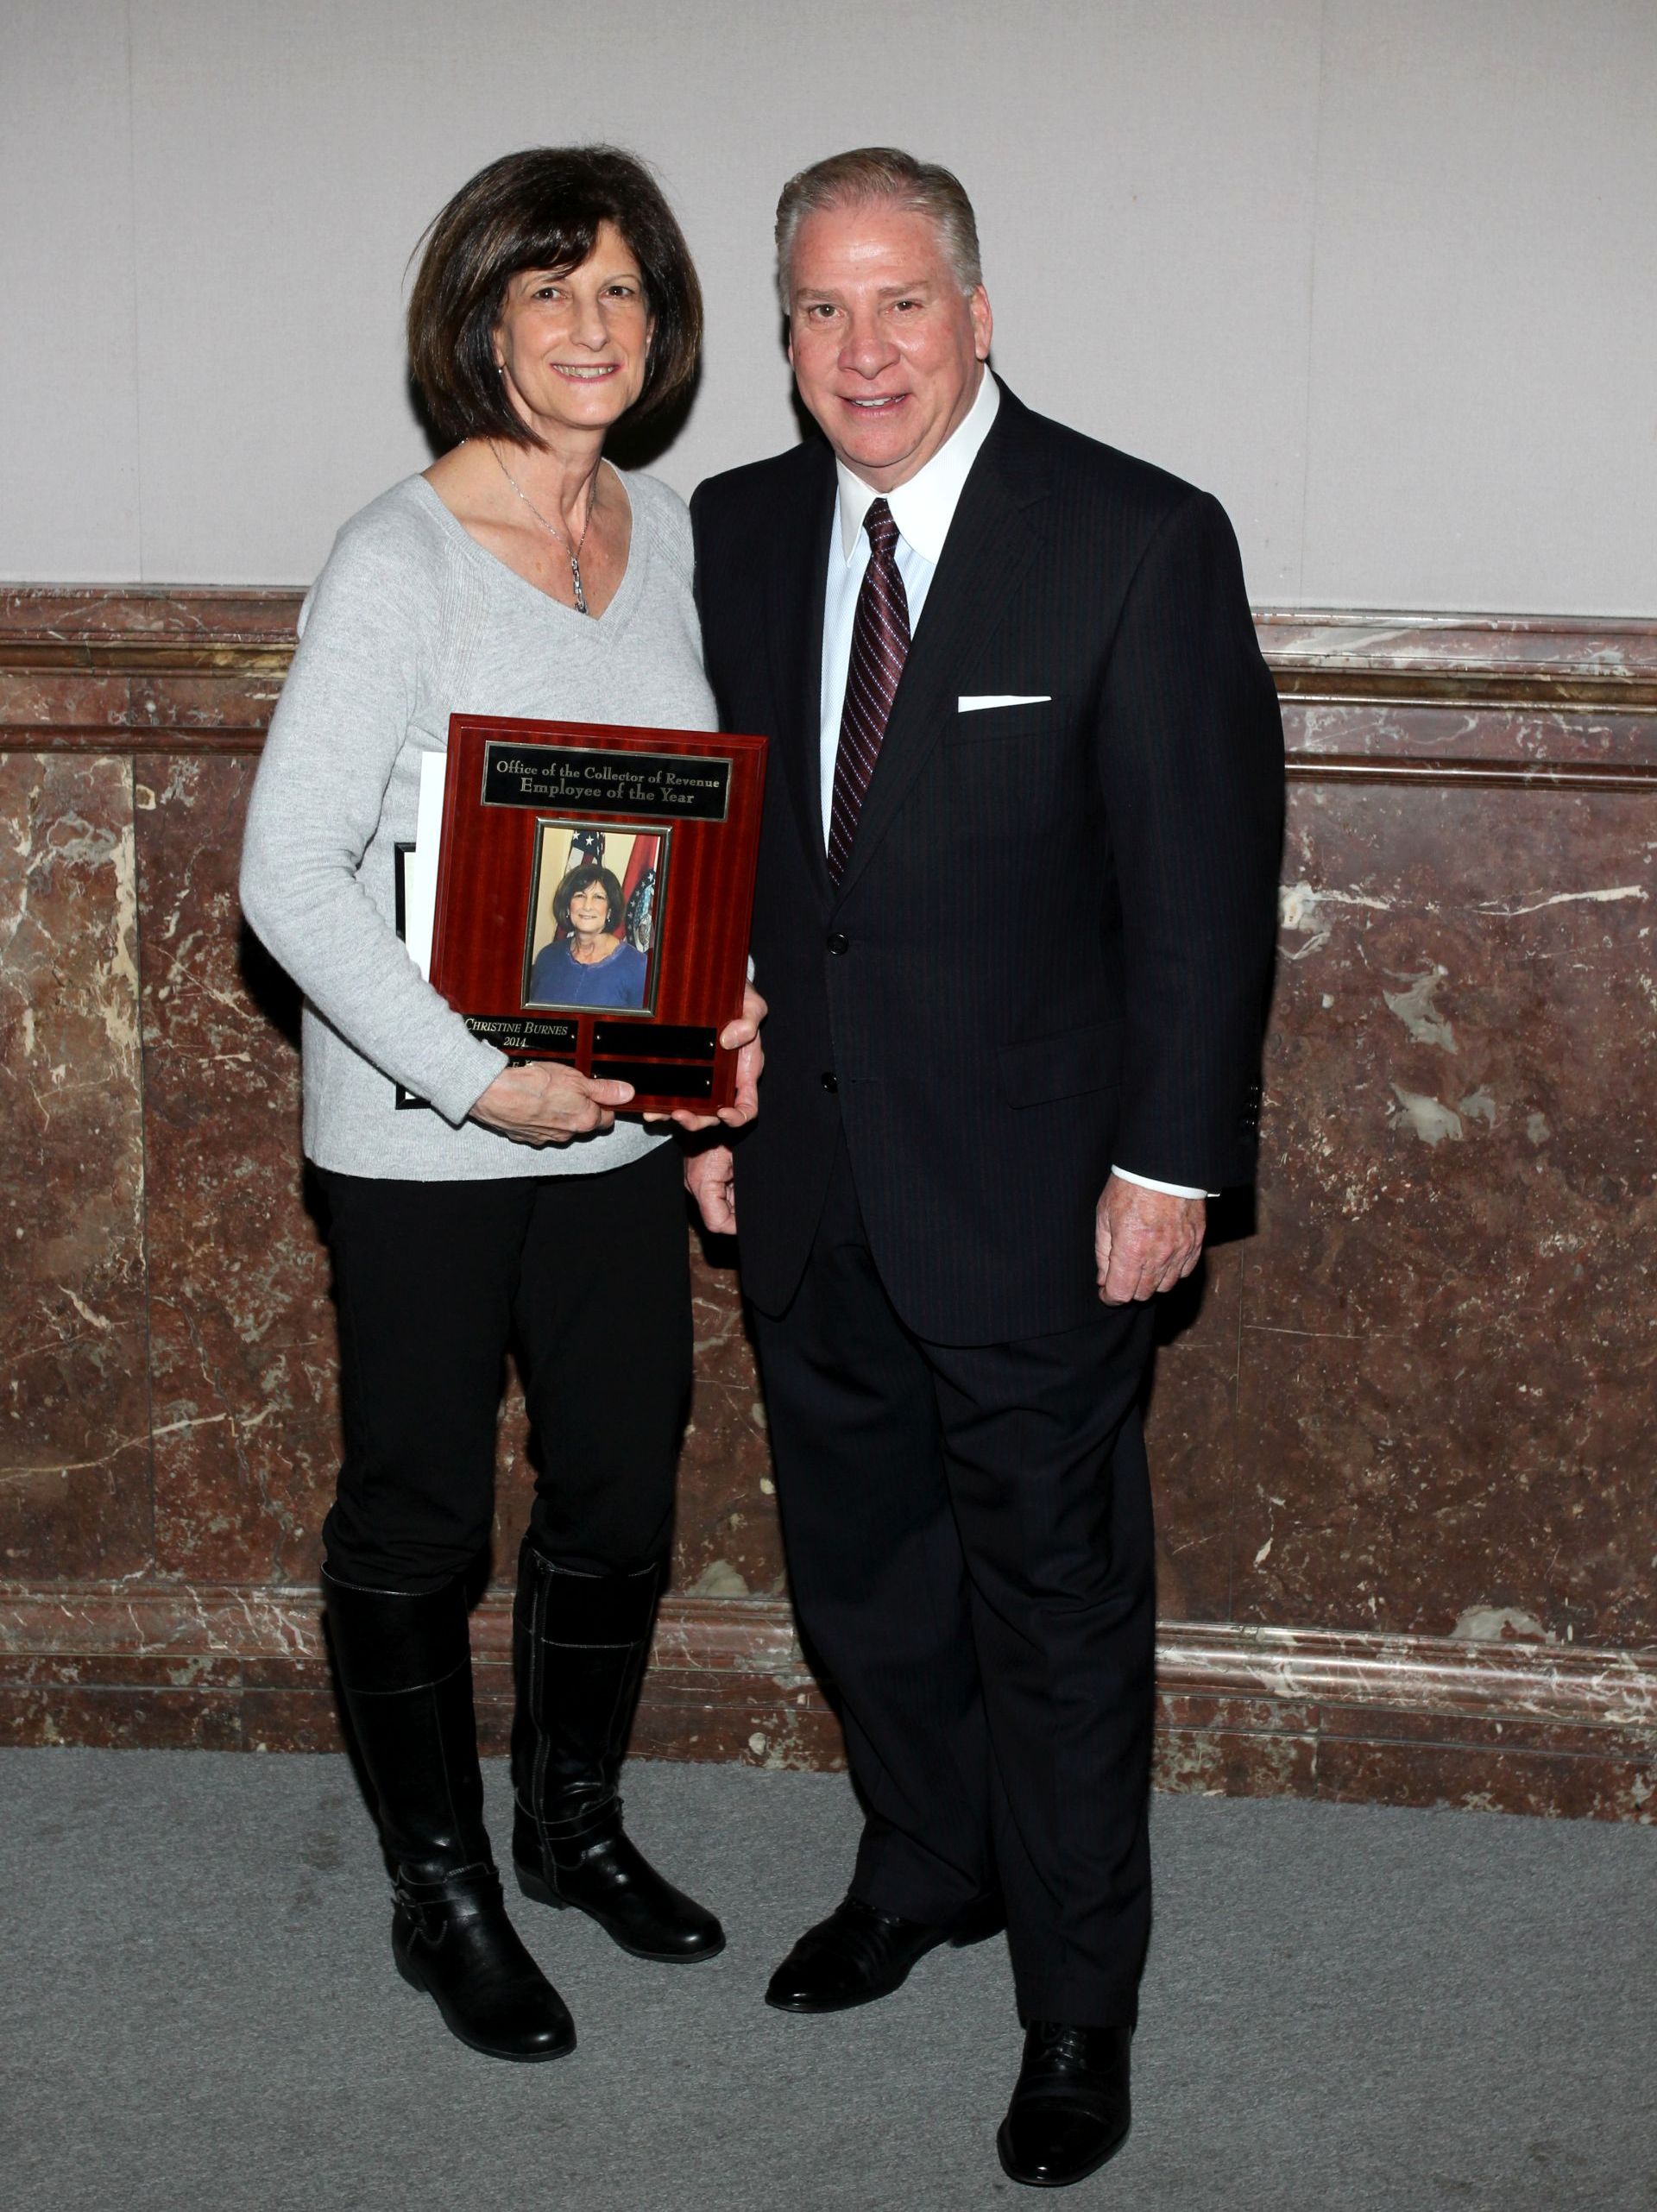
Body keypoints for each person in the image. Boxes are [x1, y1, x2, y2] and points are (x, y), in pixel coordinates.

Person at [687, 148, 1282, 2186]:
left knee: (1049, 1601)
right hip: (805, 1178)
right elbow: (742, 866)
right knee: (863, 1578)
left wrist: (1168, 1167)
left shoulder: (1132, 539)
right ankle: (925, 1866)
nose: (863, 351)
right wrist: (704, 1094)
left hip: (1045, 1197)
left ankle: (1075, 2000)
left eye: (902, 302)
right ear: (784, 336)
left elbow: (1200, 900)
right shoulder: (740, 531)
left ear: (979, 311)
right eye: (820, 311)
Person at [240, 144, 764, 2066]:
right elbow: (284, 878)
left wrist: (714, 1053)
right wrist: (474, 1077)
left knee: (621, 1491)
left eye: (622, 290)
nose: (590, 327)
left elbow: (673, 850)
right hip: (425, 1137)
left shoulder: (670, 534)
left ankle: (573, 1828)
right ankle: (440, 1885)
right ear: (479, 320)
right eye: (549, 290)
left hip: (618, 1126)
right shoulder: (397, 557)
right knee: (421, 1511)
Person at [529, 862, 648, 1007]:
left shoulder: (638, 967)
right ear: (568, 907)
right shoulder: (548, 957)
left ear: (609, 910)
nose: (587, 906)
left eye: (598, 897)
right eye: (580, 895)